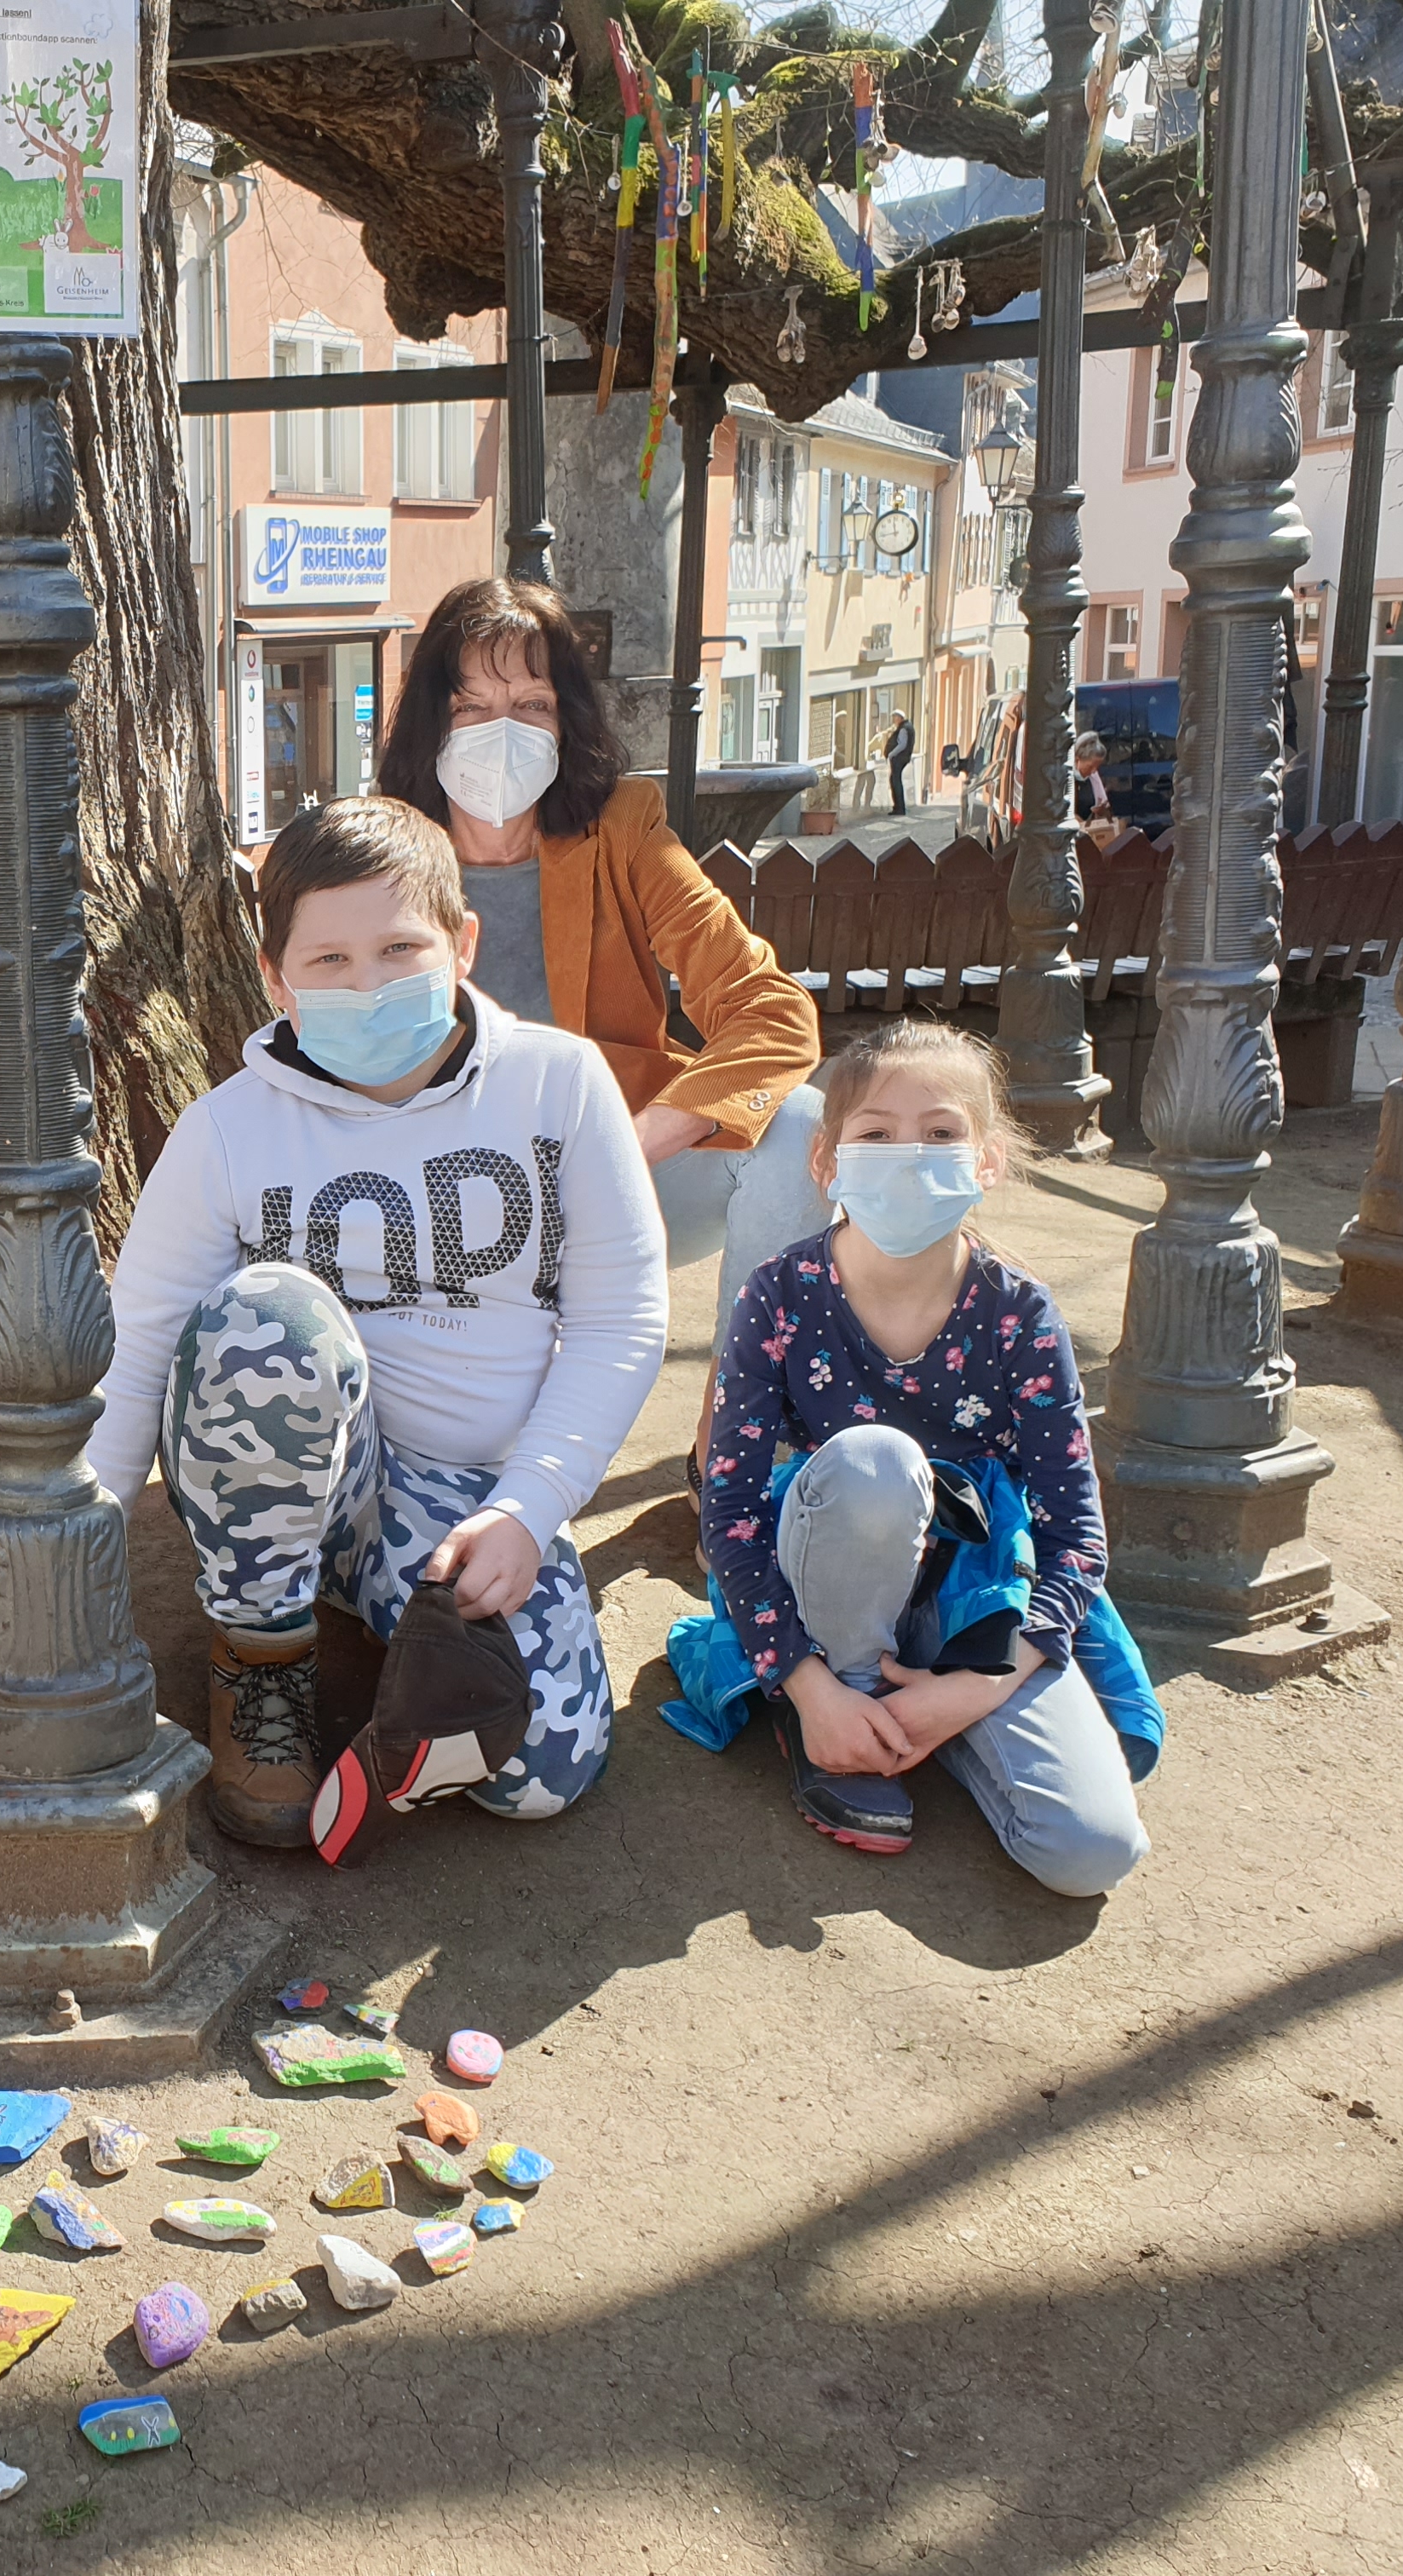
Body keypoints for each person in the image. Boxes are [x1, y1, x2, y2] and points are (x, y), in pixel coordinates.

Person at [87, 796, 668, 1860]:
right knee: (264, 1315)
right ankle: (261, 1654)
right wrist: (75, 1549)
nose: (368, 984)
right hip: (295, 1478)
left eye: (401, 949)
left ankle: (385, 1603)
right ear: (276, 979)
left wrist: (530, 1508)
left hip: (474, 1499)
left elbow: (620, 1319)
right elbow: (142, 1345)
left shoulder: (561, 1084)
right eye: (330, 960)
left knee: (538, 1772)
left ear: (463, 943)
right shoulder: (226, 1130)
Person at [680, 1021, 1154, 1895]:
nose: (909, 1157)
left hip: (973, 1590)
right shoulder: (778, 1294)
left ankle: (912, 1722)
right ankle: (835, 1711)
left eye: (941, 1134)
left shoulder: (1022, 1312)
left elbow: (1076, 1535)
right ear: (826, 1161)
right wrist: (811, 1685)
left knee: (1091, 1852)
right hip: (832, 1573)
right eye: (877, 1134)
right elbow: (731, 1513)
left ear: (988, 1160)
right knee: (877, 1464)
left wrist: (975, 1690)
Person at [377, 577, 824, 1389]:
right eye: (471, 707)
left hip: (618, 1174)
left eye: (532, 705)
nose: (502, 732)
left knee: (799, 1126)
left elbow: (772, 1011)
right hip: (440, 1194)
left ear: (566, 721)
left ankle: (742, 1414)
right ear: (432, 720)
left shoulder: (622, 828)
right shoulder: (380, 850)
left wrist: (630, 1143)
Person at [1072, 730, 1119, 845]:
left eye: (1097, 767)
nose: (1093, 771)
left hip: (1089, 838)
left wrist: (1101, 810)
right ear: (1077, 760)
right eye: (1090, 766)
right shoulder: (1066, 778)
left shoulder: (1093, 777)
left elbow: (1105, 806)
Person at [883, 708, 916, 816]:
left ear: (900, 718)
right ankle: (898, 807)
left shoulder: (903, 729)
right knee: (895, 780)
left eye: (895, 717)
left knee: (895, 781)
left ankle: (899, 808)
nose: (894, 719)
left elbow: (902, 744)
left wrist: (891, 754)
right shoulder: (908, 727)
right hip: (903, 758)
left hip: (899, 758)